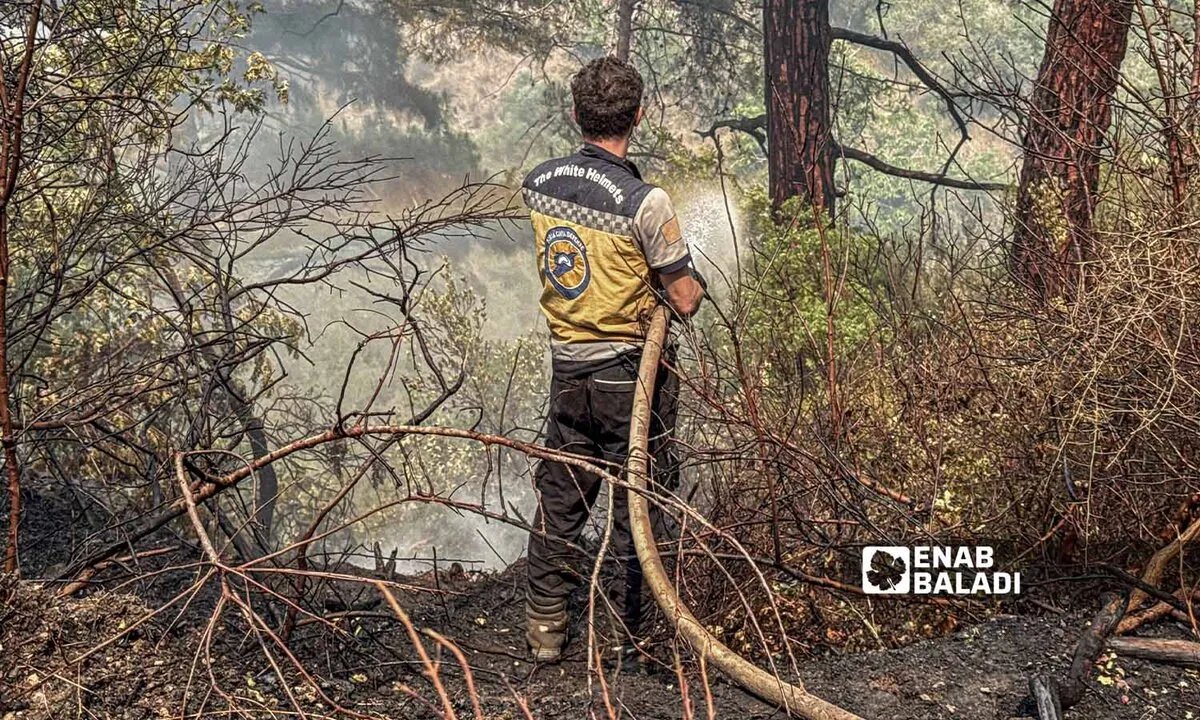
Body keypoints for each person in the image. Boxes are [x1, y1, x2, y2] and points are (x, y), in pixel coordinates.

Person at [520, 56, 705, 663]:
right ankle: (630, 638)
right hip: (630, 374)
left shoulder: (539, 183)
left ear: (575, 114)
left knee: (562, 497)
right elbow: (683, 297)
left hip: (567, 368)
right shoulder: (644, 201)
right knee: (637, 501)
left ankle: (546, 632)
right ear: (639, 116)